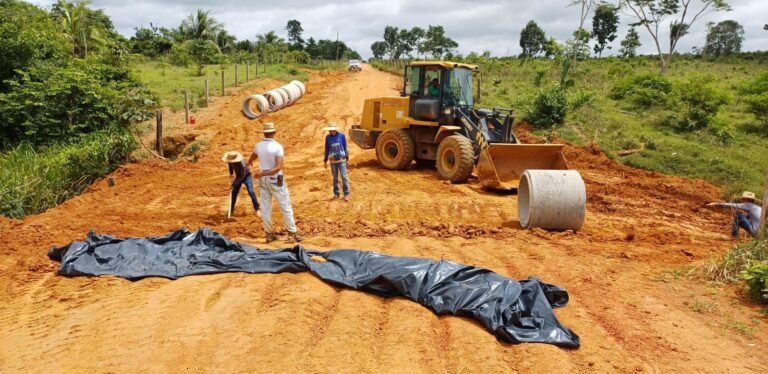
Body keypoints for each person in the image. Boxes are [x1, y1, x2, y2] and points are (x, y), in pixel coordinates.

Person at [248, 122, 304, 243]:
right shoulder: (278, 147)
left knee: (265, 207)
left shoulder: (258, 145)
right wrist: (262, 173)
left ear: (264, 133)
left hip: (263, 180)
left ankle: (269, 234)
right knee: (285, 205)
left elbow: (254, 155)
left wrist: (249, 161)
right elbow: (278, 167)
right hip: (275, 179)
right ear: (274, 132)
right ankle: (292, 233)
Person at [222, 151, 260, 217]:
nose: (231, 162)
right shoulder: (230, 160)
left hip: (246, 176)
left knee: (251, 192)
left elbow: (241, 176)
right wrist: (231, 174)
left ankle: (257, 209)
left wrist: (233, 184)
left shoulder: (242, 164)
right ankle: (231, 211)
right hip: (238, 176)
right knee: (233, 193)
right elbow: (230, 165)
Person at [322, 123, 350, 201]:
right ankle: (336, 193)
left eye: (332, 129)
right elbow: (327, 149)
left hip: (342, 160)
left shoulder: (341, 136)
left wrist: (347, 159)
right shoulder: (327, 138)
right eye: (330, 130)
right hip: (333, 161)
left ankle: (346, 194)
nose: (331, 131)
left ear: (335, 129)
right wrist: (325, 160)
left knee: (344, 177)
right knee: (335, 178)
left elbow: (345, 147)